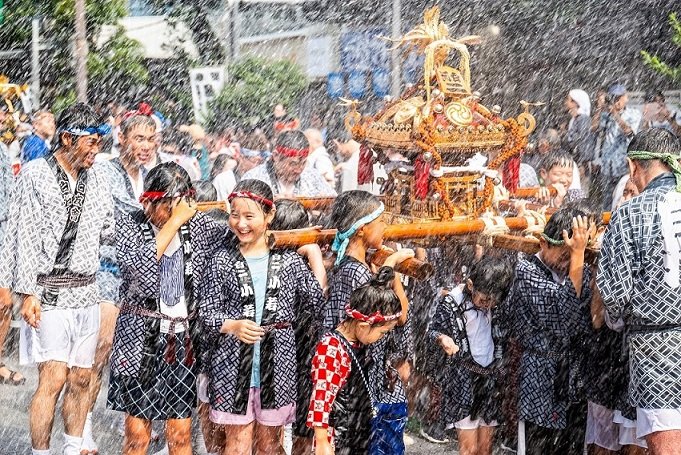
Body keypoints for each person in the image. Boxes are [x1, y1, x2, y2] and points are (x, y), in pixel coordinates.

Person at [0, 103, 115, 455]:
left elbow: (108, 228)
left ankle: (73, 446)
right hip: (48, 291)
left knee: (83, 377)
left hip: (88, 289)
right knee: (52, 378)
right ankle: (41, 451)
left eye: (99, 142)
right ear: (67, 138)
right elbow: (20, 235)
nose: (96, 149)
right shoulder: (35, 173)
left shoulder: (99, 177)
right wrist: (25, 292)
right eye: (90, 142)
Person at [107, 162, 229, 455]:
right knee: (138, 436)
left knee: (180, 435)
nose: (173, 215)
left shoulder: (200, 226)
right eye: (166, 207)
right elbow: (142, 272)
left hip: (181, 339)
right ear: (149, 201)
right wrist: (175, 222)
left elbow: (241, 234)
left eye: (179, 207)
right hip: (137, 338)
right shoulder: (130, 224)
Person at [199, 179, 325, 455]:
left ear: (269, 216)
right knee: (237, 444)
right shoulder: (221, 260)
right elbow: (206, 312)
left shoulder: (288, 262)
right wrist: (232, 325)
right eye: (235, 215)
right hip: (232, 367)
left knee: (270, 445)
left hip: (276, 367)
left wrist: (313, 253)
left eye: (249, 216)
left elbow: (317, 304)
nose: (240, 224)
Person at [77, 112, 158, 454]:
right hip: (108, 268)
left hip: (147, 273)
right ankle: (81, 429)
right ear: (121, 139)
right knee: (101, 348)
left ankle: (139, 430)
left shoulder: (156, 174)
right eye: (138, 139)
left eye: (151, 140)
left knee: (144, 354)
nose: (145, 147)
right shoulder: (101, 172)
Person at [597, 128, 681, 454]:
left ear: (633, 167)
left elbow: (615, 299)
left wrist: (617, 319)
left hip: (655, 349)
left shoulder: (630, 213)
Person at [323, 190, 414, 454]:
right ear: (362, 229)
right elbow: (399, 316)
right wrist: (392, 270)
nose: (386, 227)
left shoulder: (351, 267)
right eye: (381, 221)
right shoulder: (357, 272)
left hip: (354, 376)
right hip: (361, 379)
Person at [508, 205, 596, 455]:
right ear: (544, 243)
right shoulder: (526, 271)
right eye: (563, 254)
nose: (567, 261)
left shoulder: (580, 268)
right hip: (540, 375)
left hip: (574, 380)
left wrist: (580, 257)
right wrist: (577, 256)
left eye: (572, 256)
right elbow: (564, 319)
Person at [307, 266, 403, 454]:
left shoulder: (359, 340)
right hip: (338, 436)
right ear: (362, 325)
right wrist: (322, 442)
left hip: (357, 430)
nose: (383, 338)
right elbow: (321, 398)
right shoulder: (332, 349)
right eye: (382, 332)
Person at [427, 256, 514, 455]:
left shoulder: (497, 303)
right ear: (470, 284)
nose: (487, 305)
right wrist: (442, 338)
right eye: (483, 299)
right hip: (463, 379)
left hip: (490, 379)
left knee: (485, 449)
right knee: (469, 450)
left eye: (493, 301)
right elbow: (431, 331)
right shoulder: (451, 302)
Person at [269, 198, 328, 455]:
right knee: (274, 433)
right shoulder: (279, 264)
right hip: (284, 356)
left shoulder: (287, 262)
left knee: (295, 430)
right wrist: (314, 254)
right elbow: (321, 299)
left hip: (299, 356)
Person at [242, 130, 336, 198]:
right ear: (276, 156)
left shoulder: (312, 177)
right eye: (293, 164)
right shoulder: (253, 178)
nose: (298, 169)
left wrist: (324, 205)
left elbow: (335, 202)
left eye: (303, 163)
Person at [592, 83, 641, 210]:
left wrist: (615, 113)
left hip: (623, 166)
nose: (617, 101)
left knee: (622, 200)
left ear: (626, 97)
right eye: (614, 97)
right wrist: (599, 107)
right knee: (606, 203)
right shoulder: (606, 114)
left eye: (620, 97)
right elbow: (593, 128)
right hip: (607, 167)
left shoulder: (633, 114)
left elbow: (629, 132)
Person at [564, 89, 595, 190]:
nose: (566, 102)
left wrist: (581, 163)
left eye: (568, 100)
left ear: (575, 102)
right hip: (575, 162)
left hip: (581, 164)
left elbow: (583, 141)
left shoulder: (583, 119)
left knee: (580, 193)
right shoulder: (574, 118)